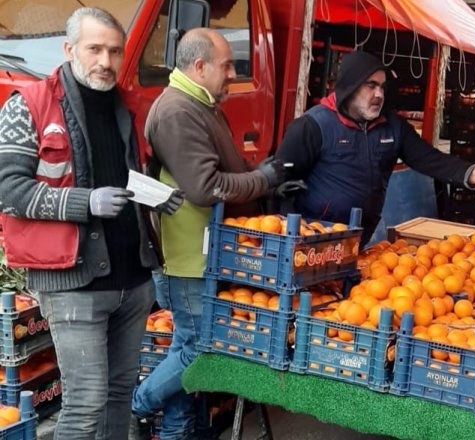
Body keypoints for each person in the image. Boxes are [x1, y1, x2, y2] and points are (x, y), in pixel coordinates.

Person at [0, 8, 183, 439]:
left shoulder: (129, 107)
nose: (105, 60)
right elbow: (8, 189)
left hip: (133, 281)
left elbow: (125, 176)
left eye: (114, 51)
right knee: (85, 405)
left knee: (119, 398)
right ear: (69, 49)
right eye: (94, 49)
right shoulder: (26, 104)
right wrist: (85, 202)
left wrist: (154, 197)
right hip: (73, 284)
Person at [130, 28, 286, 439]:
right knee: (198, 349)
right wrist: (262, 180)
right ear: (199, 67)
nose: (233, 74)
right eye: (227, 66)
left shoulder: (200, 104)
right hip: (188, 259)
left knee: (192, 348)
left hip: (209, 254)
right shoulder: (178, 111)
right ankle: (139, 403)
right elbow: (205, 187)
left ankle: (179, 432)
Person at [275, 51, 475, 244]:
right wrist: (290, 234)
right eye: (371, 86)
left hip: (360, 237)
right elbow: (281, 182)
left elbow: (427, 158)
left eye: (383, 87)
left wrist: (469, 172)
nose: (379, 94)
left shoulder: (392, 127)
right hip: (312, 237)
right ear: (349, 86)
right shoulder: (313, 126)